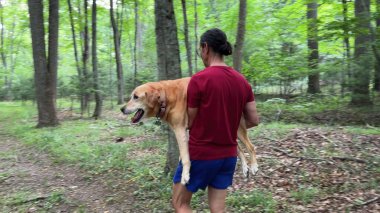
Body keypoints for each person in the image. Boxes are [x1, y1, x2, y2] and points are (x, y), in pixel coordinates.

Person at [172, 28, 259, 213]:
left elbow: (191, 122)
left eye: (200, 50)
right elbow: (253, 120)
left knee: (180, 203)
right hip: (228, 156)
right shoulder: (242, 81)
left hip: (200, 155)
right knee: (218, 210)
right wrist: (226, 124)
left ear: (205, 48)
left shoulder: (199, 80)